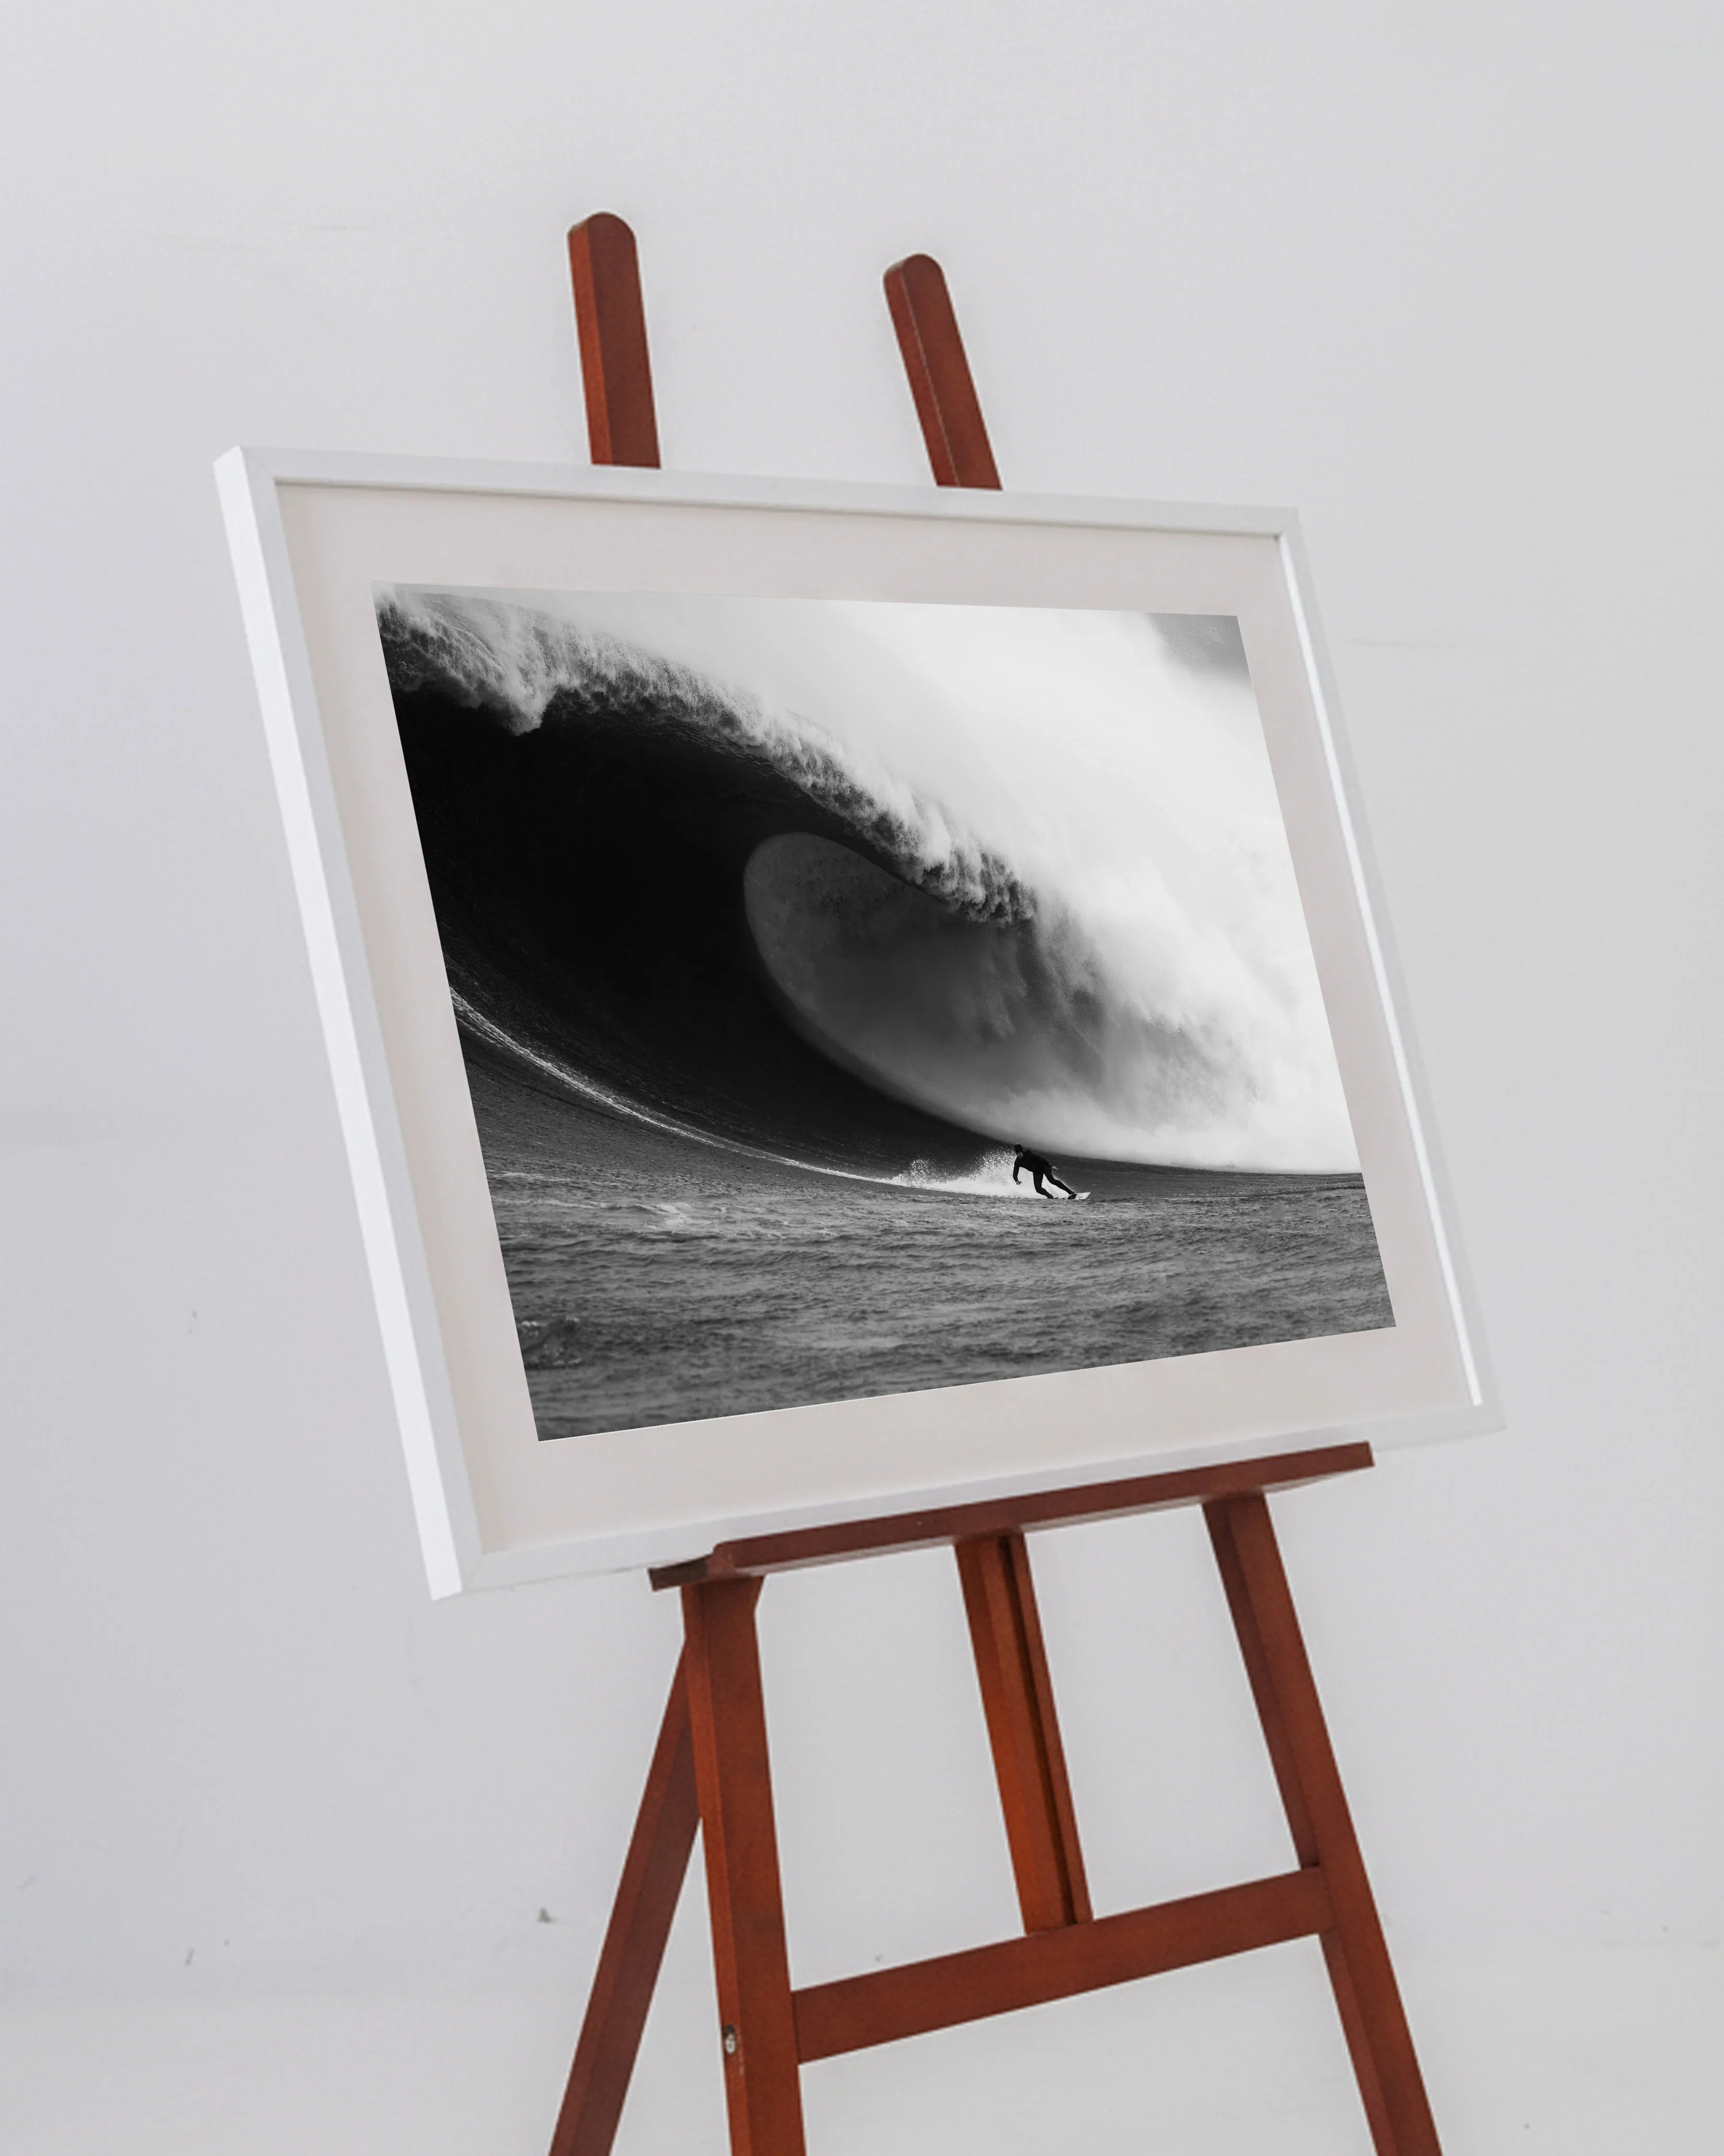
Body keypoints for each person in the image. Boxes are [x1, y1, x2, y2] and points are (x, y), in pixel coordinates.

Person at [1012, 1143, 1077, 1200]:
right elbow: (1015, 1172)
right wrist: (1016, 1180)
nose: (1019, 1154)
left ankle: (1071, 1192)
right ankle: (1050, 1197)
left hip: (1043, 1167)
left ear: (1022, 1152)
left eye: (1020, 1152)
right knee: (1038, 1189)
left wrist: (1050, 1166)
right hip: (1037, 1172)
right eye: (1017, 1153)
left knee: (1052, 1181)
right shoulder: (1018, 1162)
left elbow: (1040, 1158)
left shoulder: (1028, 1154)